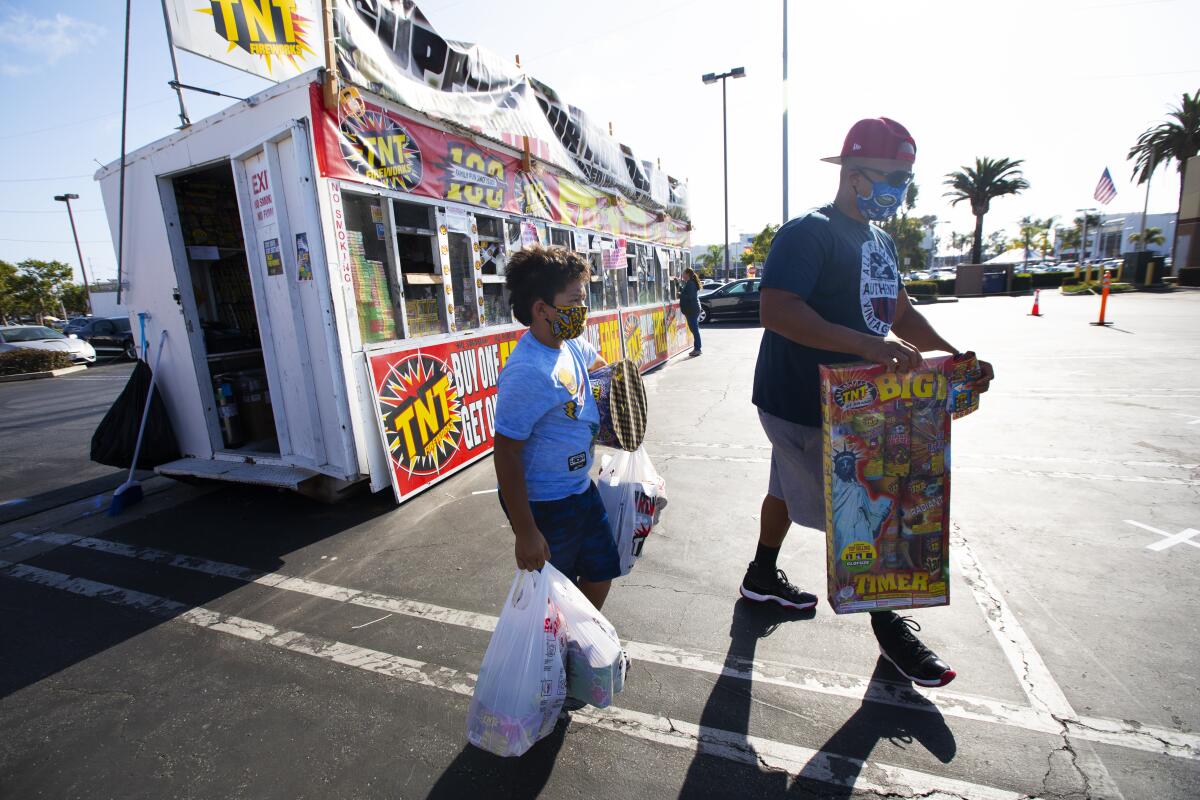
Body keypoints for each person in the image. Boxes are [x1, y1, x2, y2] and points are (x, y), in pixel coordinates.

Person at [739, 117, 994, 688]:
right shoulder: (809, 232)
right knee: (860, 506)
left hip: (858, 403)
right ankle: (889, 628)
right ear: (853, 176)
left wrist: (954, 358)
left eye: (905, 179)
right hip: (804, 403)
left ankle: (760, 573)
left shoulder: (879, 241)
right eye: (891, 178)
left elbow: (898, 312)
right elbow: (777, 309)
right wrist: (869, 346)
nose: (899, 191)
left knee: (784, 485)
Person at [493, 246, 618, 611]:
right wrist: (526, 531)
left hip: (580, 488)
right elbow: (506, 453)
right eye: (576, 300)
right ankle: (554, 659)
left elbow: (601, 371)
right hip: (545, 503)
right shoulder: (527, 371)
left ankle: (578, 641)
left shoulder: (571, 342)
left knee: (601, 570)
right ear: (541, 308)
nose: (584, 309)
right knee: (551, 594)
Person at [679, 267, 703, 356]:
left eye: (683, 273)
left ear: (687, 274)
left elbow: (690, 297)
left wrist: (680, 295)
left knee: (695, 330)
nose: (682, 275)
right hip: (692, 309)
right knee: (694, 329)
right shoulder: (689, 283)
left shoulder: (691, 284)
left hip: (692, 310)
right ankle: (697, 348)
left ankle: (698, 349)